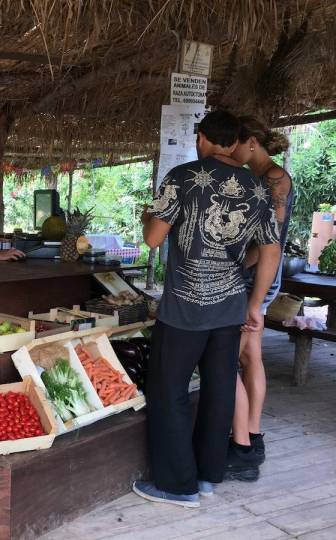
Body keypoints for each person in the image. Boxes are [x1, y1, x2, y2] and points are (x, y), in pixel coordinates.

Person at [133, 110, 282, 508]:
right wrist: (255, 304)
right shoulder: (257, 189)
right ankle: (206, 477)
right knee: (219, 392)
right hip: (230, 308)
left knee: (168, 391)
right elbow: (270, 249)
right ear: (235, 143)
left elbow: (152, 238)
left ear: (200, 137)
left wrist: (150, 213)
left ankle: (176, 486)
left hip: (184, 308)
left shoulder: (182, 177)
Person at [226, 117, 293, 481]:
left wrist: (237, 264)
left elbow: (270, 239)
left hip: (257, 277)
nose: (229, 151)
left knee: (228, 355)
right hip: (255, 276)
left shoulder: (275, 177)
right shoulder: (257, 177)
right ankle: (251, 434)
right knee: (251, 353)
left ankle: (242, 446)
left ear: (250, 142)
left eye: (233, 145)